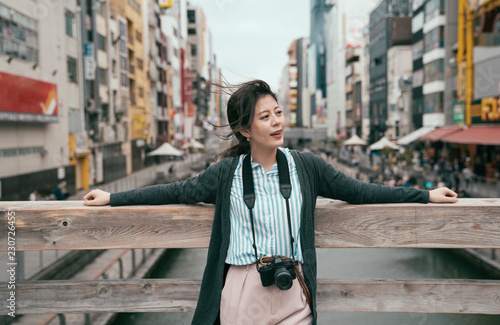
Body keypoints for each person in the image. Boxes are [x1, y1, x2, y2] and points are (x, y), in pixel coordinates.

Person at [83, 79, 458, 325]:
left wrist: (425, 195)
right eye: (265, 116)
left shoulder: (306, 166)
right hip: (242, 294)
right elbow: (172, 192)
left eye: (278, 112)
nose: (277, 121)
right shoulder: (226, 173)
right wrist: (112, 197)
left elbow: (361, 191)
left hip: (292, 288)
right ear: (245, 130)